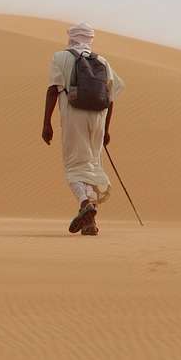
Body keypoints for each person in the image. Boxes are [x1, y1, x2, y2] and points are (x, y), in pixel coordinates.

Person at [41, 23, 125, 236]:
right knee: (92, 164)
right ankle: (89, 222)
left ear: (71, 38)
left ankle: (85, 201)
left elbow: (53, 90)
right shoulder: (102, 61)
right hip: (98, 118)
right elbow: (111, 98)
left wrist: (46, 123)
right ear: (89, 39)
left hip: (73, 115)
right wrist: (106, 130)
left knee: (74, 165)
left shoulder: (60, 57)